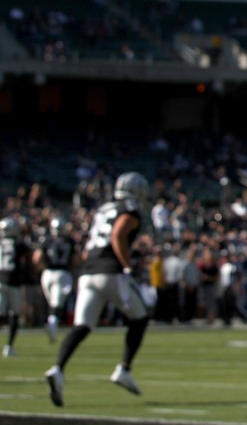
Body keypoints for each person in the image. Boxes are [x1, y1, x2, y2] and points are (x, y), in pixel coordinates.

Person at [44, 172, 153, 407]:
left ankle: (58, 369)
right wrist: (127, 266)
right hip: (111, 272)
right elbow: (118, 234)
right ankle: (124, 368)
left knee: (82, 326)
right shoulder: (130, 209)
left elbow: (89, 246)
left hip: (88, 272)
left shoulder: (104, 209)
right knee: (141, 317)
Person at [34, 216, 78, 342]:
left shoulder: (46, 239)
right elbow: (77, 260)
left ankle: (52, 324)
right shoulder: (69, 241)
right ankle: (52, 325)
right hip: (62, 273)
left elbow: (37, 258)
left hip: (47, 274)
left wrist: (45, 268)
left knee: (52, 302)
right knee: (57, 303)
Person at [1, 216, 33, 357]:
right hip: (13, 282)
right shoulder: (19, 245)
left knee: (2, 315)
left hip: (0, 280)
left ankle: (8, 347)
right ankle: (8, 346)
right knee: (14, 314)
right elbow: (28, 261)